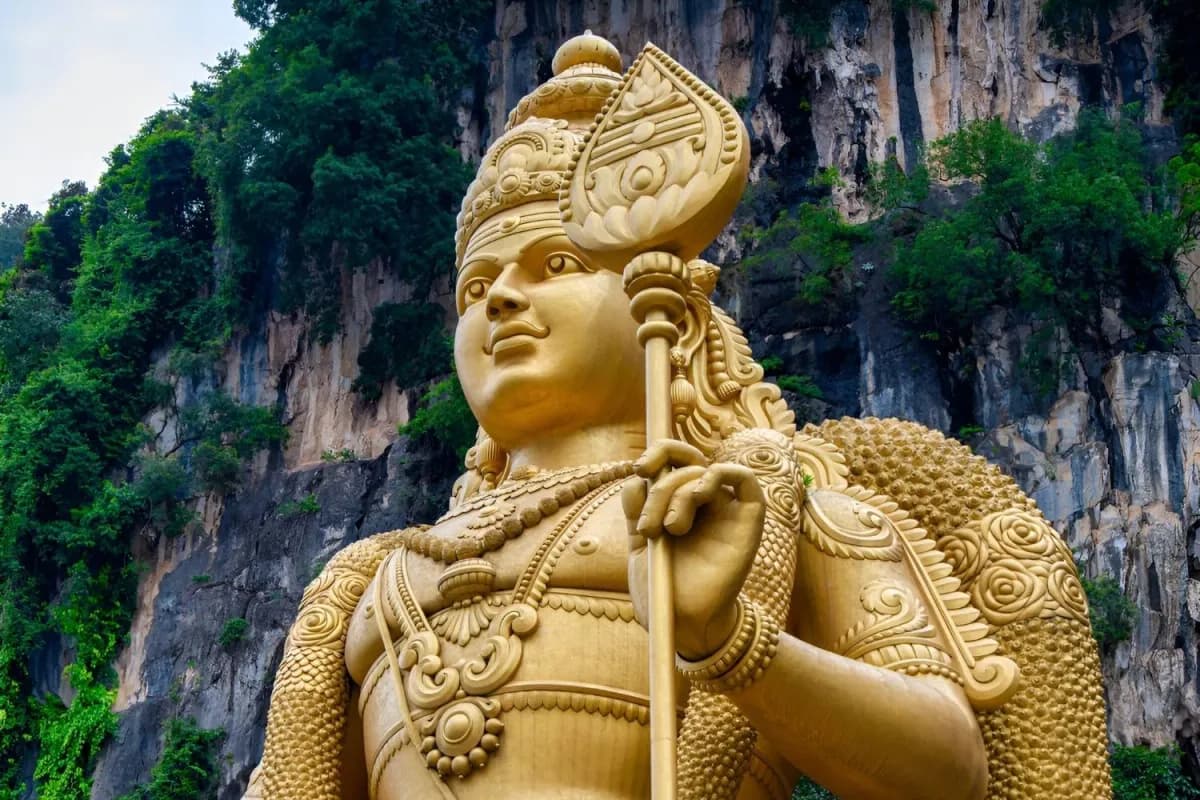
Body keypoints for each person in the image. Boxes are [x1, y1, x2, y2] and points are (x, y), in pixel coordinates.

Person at [245, 32, 1111, 800]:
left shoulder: (755, 502)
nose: (503, 299)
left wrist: (731, 641)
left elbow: (949, 767)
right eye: (478, 286)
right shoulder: (367, 580)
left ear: (673, 311)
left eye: (557, 261)